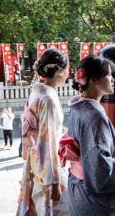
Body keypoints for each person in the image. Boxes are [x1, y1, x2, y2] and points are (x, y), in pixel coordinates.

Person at [65, 55, 115, 216]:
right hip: (93, 199)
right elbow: (99, 172)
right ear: (93, 80)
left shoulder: (77, 106)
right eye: (108, 75)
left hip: (76, 187)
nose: (113, 79)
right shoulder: (95, 115)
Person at [17, 48, 69, 216]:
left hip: (35, 161)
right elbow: (48, 141)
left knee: (39, 208)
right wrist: (54, 181)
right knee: (56, 208)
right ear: (60, 71)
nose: (68, 73)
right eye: (67, 69)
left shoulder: (36, 92)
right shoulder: (48, 99)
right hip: (47, 168)